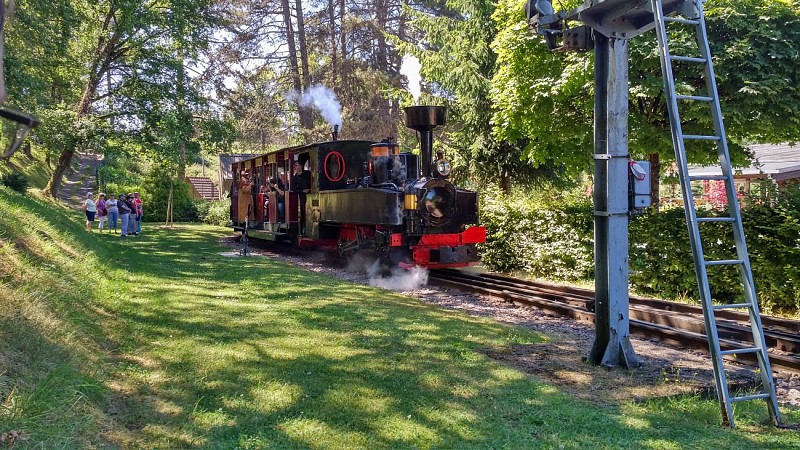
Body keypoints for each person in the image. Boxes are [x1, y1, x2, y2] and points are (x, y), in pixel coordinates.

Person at [291, 160, 311, 234]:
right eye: (296, 166)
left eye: (299, 165)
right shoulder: (294, 178)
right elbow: (294, 189)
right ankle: (303, 228)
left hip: (311, 193)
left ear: (302, 166)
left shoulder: (307, 173)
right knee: (303, 210)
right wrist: (302, 191)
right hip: (302, 196)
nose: (297, 167)